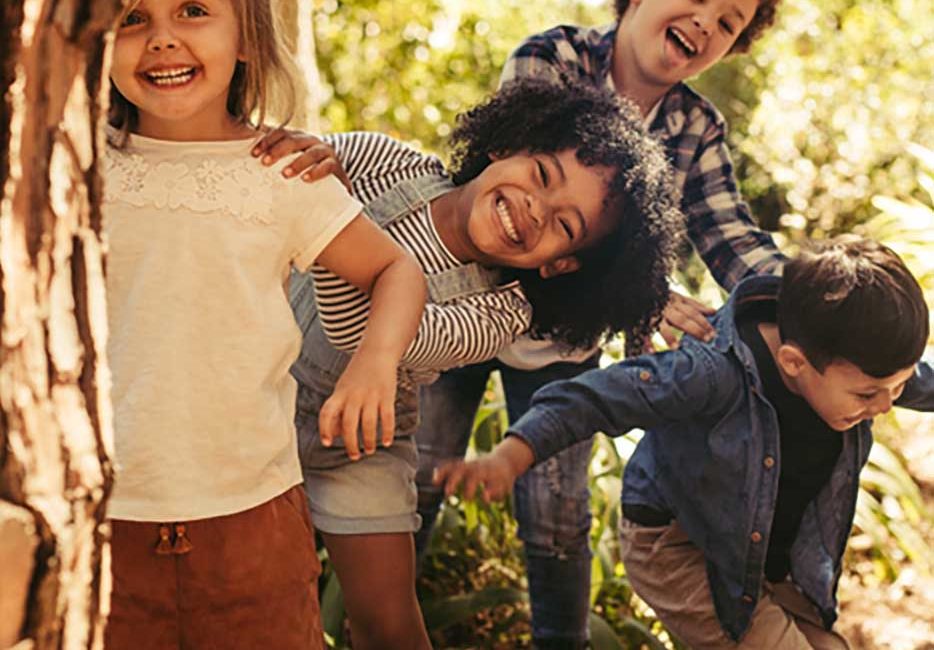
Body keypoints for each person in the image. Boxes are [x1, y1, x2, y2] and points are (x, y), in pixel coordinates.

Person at [412, 1, 789, 646]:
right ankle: (374, 620)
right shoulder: (552, 59)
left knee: (557, 518)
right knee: (416, 480)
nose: (705, 21)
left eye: (728, 22)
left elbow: (731, 237)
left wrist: (810, 302)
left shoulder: (696, 127)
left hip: (560, 345)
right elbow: (515, 211)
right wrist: (650, 292)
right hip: (460, 308)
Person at [286, 77, 684, 649]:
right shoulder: (393, 163)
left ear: (561, 265)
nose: (534, 208)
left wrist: (334, 219)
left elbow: (361, 333)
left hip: (359, 447)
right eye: (542, 174)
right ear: (507, 144)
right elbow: (296, 166)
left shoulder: (499, 314)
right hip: (259, 387)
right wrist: (308, 162)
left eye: (565, 226)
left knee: (388, 618)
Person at [101, 1, 426, 648]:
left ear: (247, 37)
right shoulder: (66, 168)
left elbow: (397, 270)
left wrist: (374, 363)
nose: (161, 39)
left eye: (192, 10)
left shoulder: (283, 173)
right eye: (131, 17)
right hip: (101, 522)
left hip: (253, 525)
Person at [435, 237, 934, 649]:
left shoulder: (859, 364)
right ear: (793, 363)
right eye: (871, 394)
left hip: (760, 551)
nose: (888, 405)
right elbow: (595, 399)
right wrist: (511, 453)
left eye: (897, 387)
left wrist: (889, 387)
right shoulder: (711, 375)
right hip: (677, 547)